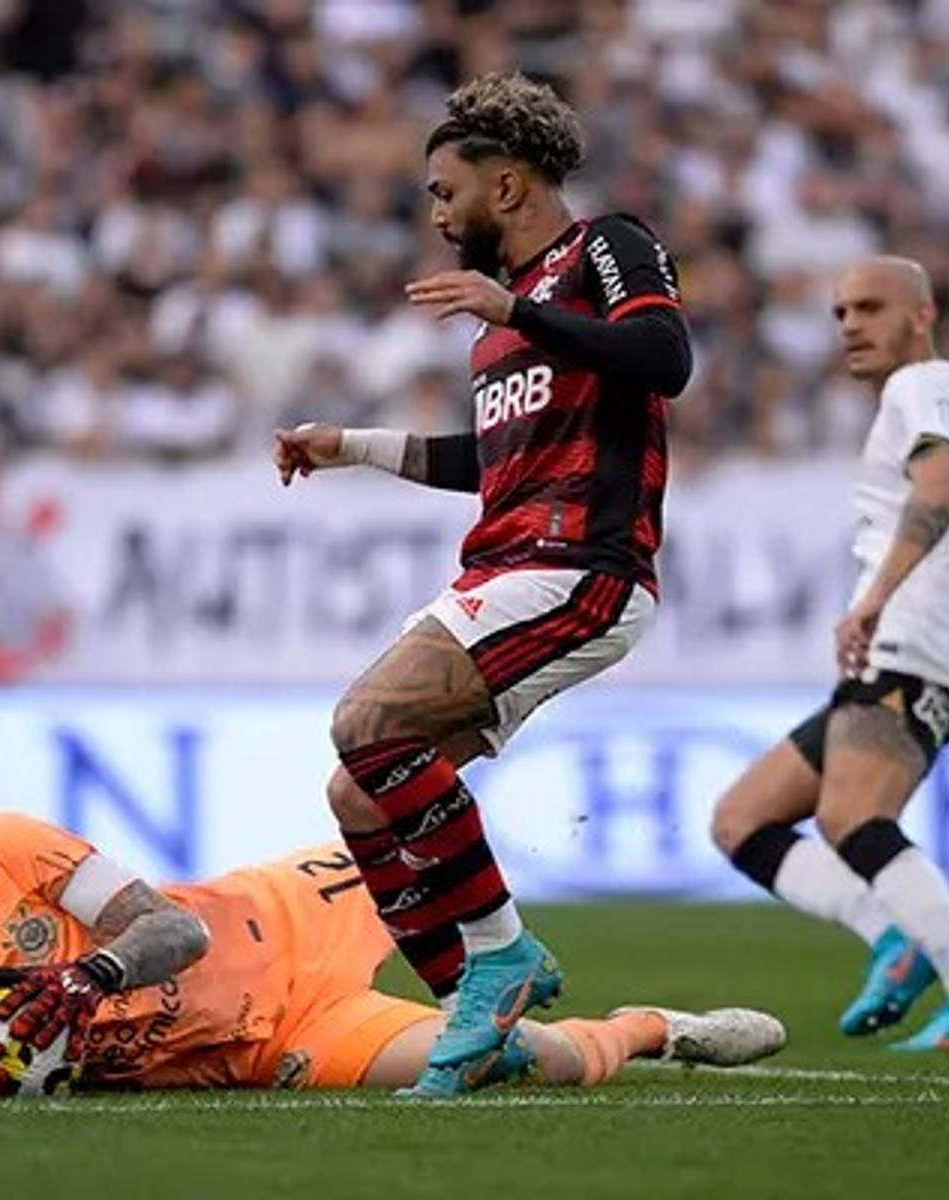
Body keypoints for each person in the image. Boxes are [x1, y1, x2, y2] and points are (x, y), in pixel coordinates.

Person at [270, 71, 692, 1096]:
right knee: (359, 792)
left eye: (441, 188)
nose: (433, 209)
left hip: (580, 567)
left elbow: (665, 357)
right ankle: (481, 1012)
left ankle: (499, 955)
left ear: (506, 188)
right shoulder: (497, 326)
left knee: (367, 722)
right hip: (507, 561)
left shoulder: (607, 246)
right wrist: (354, 446)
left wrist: (519, 308)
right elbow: (497, 461)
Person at [0, 811, 785, 1100]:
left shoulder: (4, 847)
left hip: (278, 913)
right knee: (520, 1061)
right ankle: (655, 1029)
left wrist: (88, 974)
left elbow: (170, 931)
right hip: (265, 1044)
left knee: (407, 821)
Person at [709, 256, 949, 1051]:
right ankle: (896, 941)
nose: (850, 324)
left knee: (852, 815)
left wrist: (879, 601)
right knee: (742, 820)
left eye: (870, 307)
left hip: (913, 641)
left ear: (921, 315)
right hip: (929, 641)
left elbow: (938, 493)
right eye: (840, 311)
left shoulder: (919, 388)